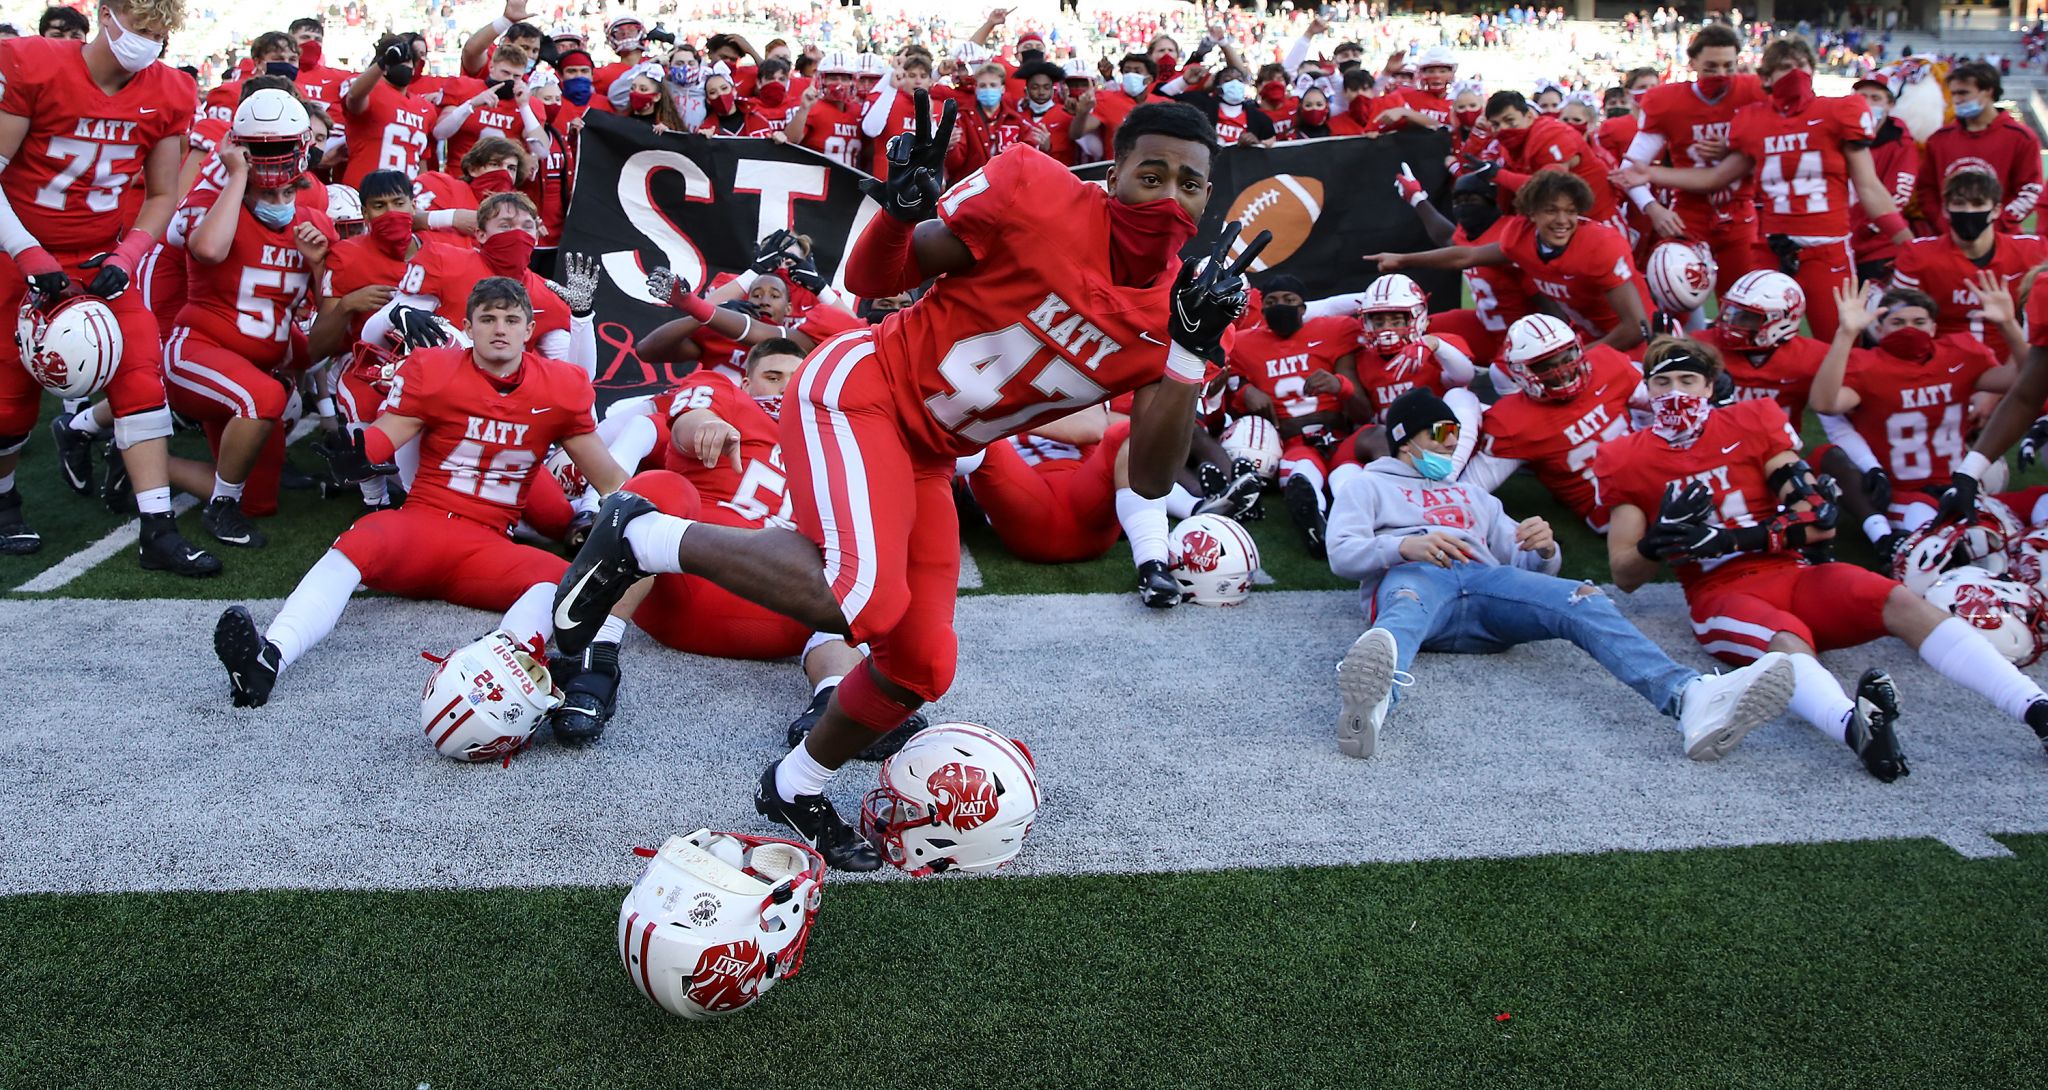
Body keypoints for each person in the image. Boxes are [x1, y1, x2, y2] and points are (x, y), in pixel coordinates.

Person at [550, 97, 1264, 871]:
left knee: (920, 662)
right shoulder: (1035, 188)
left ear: (1207, 198)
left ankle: (795, 785)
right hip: (869, 390)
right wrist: (898, 213)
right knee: (859, 595)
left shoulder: (1188, 308)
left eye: (1189, 184)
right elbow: (872, 276)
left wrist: (1186, 353)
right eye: (1151, 175)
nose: (1168, 198)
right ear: (1114, 172)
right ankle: (641, 533)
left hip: (933, 450)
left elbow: (1152, 477)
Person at [1600, 336, 2048, 779]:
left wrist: (1727, 539)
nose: (1675, 392)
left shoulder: (1750, 421)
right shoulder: (1625, 457)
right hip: (1720, 593)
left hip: (1793, 572)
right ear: (1648, 388)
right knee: (1785, 639)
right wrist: (1654, 543)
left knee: (1900, 601)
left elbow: (1819, 518)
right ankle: (1854, 728)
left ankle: (2034, 706)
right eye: (1662, 382)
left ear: (1710, 385)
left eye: (1687, 379)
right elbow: (1624, 574)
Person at [212, 278, 630, 711]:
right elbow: (385, 435)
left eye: (510, 319)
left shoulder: (559, 385)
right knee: (360, 539)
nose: (499, 329)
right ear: (467, 327)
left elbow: (609, 478)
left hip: (487, 546)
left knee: (564, 581)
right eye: (488, 319)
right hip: (422, 525)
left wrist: (646, 518)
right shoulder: (433, 369)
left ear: (529, 330)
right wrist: (358, 455)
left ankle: (504, 667)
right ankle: (270, 658)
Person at [1327, 387, 1795, 763]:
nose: (1453, 442)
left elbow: (1524, 564)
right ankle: (1372, 705)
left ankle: (1689, 698)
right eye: (1442, 430)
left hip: (1486, 586)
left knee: (1581, 597)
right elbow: (1342, 555)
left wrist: (1544, 549)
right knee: (1405, 606)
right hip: (1417, 576)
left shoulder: (1474, 497)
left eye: (1455, 430)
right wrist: (1402, 546)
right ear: (1406, 439)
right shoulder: (1368, 485)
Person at [0, 0, 217, 573]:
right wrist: (27, 252)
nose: (149, 43)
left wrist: (128, 253)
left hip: (98, 259)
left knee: (141, 378)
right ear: (105, 14)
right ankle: (4, 502)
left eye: (159, 34)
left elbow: (163, 193)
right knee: (9, 406)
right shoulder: (34, 64)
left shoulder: (169, 90)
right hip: (13, 253)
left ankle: (157, 529)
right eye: (141, 27)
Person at [1616, 37, 1911, 343]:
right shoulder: (1754, 121)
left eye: (1801, 65)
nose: (1795, 73)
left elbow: (1869, 187)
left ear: (1813, 70)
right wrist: (1652, 173)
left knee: (1838, 340)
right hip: (1772, 247)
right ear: (1767, 78)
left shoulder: (1838, 111)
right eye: (1785, 67)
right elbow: (1715, 178)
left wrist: (1906, 241)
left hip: (1826, 246)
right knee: (1750, 340)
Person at [162, 88, 333, 547]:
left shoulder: (315, 218)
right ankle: (220, 509)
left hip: (255, 370)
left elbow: (329, 312)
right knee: (265, 397)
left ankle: (139, 461)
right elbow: (208, 249)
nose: (278, 196)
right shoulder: (215, 200)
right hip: (200, 352)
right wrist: (237, 175)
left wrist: (319, 263)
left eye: (287, 191)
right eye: (267, 189)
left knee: (259, 501)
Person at [1811, 279, 2015, 538]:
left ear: (1933, 327)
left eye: (1919, 322)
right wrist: (1846, 334)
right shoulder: (1866, 365)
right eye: (1898, 322)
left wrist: (2009, 325)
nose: (1909, 330)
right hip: (1899, 491)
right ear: (1879, 329)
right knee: (1940, 538)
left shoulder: (1957, 355)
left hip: (1954, 481)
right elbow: (1824, 403)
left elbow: (2019, 379)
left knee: (1995, 538)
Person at [1369, 171, 1649, 354]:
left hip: (1631, 340)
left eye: (1570, 211)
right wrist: (1402, 260)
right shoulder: (1520, 237)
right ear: (1531, 214)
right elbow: (1465, 255)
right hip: (1586, 335)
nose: (1562, 220)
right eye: (1551, 211)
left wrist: (1572, 355)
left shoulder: (1599, 245)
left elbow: (1637, 327)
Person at [1619, 24, 1766, 293]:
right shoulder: (1669, 101)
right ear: (1693, 63)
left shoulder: (1754, 92)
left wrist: (1734, 146)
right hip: (1689, 214)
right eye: (1711, 67)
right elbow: (1628, 168)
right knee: (1675, 298)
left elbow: (1772, 147)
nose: (1721, 74)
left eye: (1729, 66)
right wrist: (1653, 209)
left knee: (1742, 302)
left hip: (1739, 213)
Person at [1457, 313, 1637, 531]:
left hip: (1642, 470)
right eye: (1547, 366)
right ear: (1521, 372)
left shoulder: (1607, 363)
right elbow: (1468, 490)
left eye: (1567, 358)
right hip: (1609, 506)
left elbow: (1658, 408)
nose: (1563, 372)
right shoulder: (1513, 422)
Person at [1888, 171, 2046, 362]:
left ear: (1996, 210)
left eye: (1978, 204)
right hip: (1941, 365)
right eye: (1959, 204)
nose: (1968, 211)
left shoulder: (2032, 251)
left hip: (2012, 363)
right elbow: (1901, 322)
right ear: (1945, 209)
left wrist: (2008, 323)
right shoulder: (1917, 254)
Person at [1917, 62, 2042, 237]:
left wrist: (1994, 226)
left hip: (2003, 240)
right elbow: (1926, 189)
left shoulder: (2021, 138)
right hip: (1948, 238)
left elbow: (2029, 189)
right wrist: (1943, 223)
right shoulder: (1939, 139)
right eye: (1954, 94)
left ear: (1988, 91)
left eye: (1964, 93)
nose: (1957, 100)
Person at [341, 31, 439, 186]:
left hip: (404, 193)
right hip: (365, 189)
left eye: (407, 60)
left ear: (414, 68)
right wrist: (383, 63)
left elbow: (421, 161)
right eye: (396, 61)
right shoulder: (370, 90)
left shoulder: (426, 109)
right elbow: (354, 97)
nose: (403, 65)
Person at [1848, 76, 1918, 284]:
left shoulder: (1901, 144)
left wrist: (1868, 228)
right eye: (1862, 96)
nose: (1867, 103)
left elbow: (1899, 195)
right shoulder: (1840, 135)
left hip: (1878, 245)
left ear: (1890, 104)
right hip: (1841, 240)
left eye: (1875, 98)